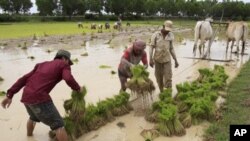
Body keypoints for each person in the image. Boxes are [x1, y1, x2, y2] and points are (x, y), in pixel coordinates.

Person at [1, 49, 81, 141]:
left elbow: (24, 79)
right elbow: (68, 78)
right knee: (59, 124)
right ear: (64, 58)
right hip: (39, 98)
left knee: (33, 117)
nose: (68, 63)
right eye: (68, 61)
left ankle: (29, 137)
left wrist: (10, 94)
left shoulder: (41, 65)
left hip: (26, 96)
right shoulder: (64, 64)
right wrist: (78, 88)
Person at [149, 20, 179, 92]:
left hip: (167, 60)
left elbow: (171, 48)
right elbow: (151, 47)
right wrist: (150, 59)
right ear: (163, 27)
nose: (168, 31)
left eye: (169, 30)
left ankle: (168, 93)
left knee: (168, 77)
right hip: (157, 59)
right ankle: (162, 91)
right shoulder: (156, 35)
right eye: (167, 30)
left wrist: (175, 60)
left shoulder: (171, 35)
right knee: (159, 78)